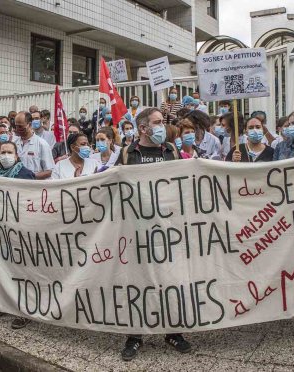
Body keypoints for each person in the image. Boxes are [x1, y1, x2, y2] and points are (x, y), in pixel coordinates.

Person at [114, 107, 190, 360]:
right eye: (156, 123)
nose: (162, 126)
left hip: (169, 231)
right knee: (138, 284)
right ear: (143, 128)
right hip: (137, 231)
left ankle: (173, 331)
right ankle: (134, 336)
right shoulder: (127, 153)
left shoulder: (171, 151)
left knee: (170, 281)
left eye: (162, 121)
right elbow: (111, 187)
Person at [0, 141, 36, 327]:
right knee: (3, 268)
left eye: (9, 152)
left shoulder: (25, 174)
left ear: (17, 155)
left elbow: (31, 202)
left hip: (20, 230)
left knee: (22, 271)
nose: (6, 155)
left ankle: (24, 311)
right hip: (0, 230)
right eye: (3, 152)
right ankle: (3, 304)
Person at [13, 111, 55, 180]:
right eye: (16, 126)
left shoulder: (42, 144)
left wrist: (30, 177)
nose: (17, 129)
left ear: (29, 124)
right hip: (17, 187)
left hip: (35, 187)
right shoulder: (13, 143)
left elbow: (49, 171)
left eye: (20, 126)